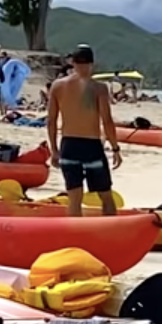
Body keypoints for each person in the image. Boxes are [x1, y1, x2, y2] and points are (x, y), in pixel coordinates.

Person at [45, 44, 125, 217]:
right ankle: (110, 232)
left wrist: (54, 150)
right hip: (91, 147)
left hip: (68, 145)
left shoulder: (58, 86)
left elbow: (51, 121)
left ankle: (76, 236)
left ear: (72, 63)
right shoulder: (99, 88)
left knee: (75, 198)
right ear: (92, 64)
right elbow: (107, 121)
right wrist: (115, 148)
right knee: (105, 195)